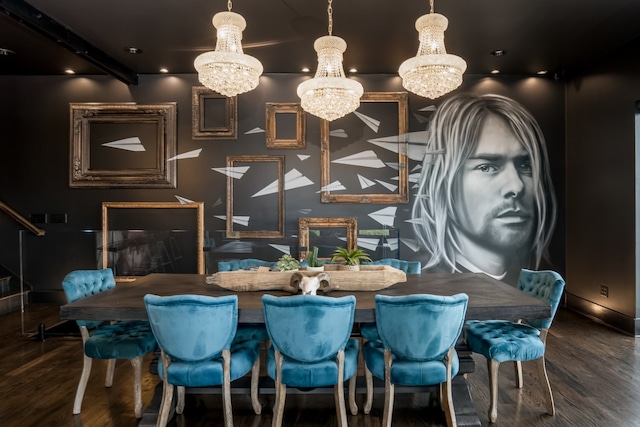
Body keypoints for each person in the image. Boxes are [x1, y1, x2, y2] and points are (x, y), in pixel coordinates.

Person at [411, 93, 557, 285]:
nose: (516, 186)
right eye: (487, 167)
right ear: (444, 180)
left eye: (526, 166)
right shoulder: (423, 287)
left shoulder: (534, 283)